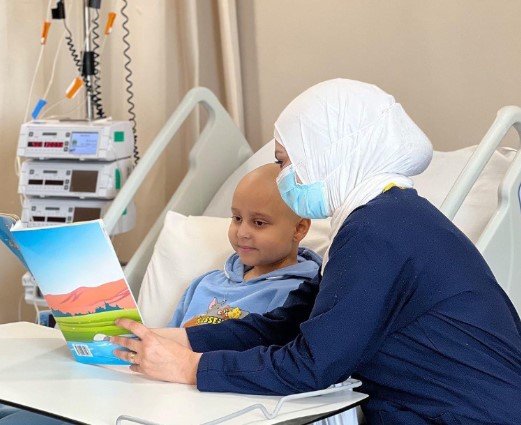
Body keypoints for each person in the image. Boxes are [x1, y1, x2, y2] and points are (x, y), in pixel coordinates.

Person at [113, 79, 521, 424]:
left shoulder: (379, 231)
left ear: (329, 155)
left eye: (285, 162)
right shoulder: (382, 218)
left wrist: (191, 368)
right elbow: (292, 322)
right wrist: (184, 339)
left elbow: (311, 365)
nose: (283, 179)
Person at [168, 163, 320, 329]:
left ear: (299, 229)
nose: (242, 233)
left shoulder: (297, 296)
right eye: (237, 218)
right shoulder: (205, 284)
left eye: (259, 223)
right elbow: (162, 338)